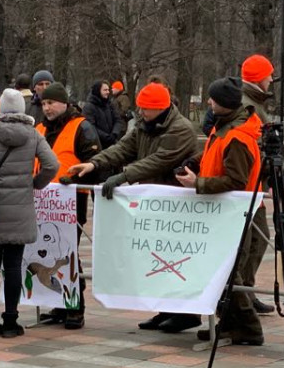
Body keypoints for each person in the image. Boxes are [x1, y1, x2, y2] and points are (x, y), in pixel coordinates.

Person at [67, 82, 199, 332]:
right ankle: (167, 308)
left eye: (146, 109)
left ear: (160, 108)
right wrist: (94, 164)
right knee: (158, 257)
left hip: (177, 203)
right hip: (155, 201)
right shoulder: (144, 125)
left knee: (177, 259)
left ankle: (187, 312)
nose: (141, 113)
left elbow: (157, 161)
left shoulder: (180, 129)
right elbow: (122, 148)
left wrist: (122, 176)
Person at [177, 78, 263, 346]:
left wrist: (198, 183)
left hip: (233, 213)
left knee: (229, 271)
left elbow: (236, 180)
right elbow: (217, 159)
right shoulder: (225, 127)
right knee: (225, 269)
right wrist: (195, 163)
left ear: (224, 104)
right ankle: (230, 325)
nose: (209, 102)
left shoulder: (236, 136)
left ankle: (249, 327)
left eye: (212, 99)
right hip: (226, 212)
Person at [0, 89, 58, 336]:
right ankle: (11, 320)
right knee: (13, 266)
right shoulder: (33, 136)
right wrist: (36, 183)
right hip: (20, 210)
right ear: (22, 109)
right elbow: (52, 164)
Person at [34, 82, 100, 329]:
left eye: (50, 103)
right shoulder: (39, 128)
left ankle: (75, 307)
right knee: (48, 254)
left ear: (64, 102)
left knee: (68, 254)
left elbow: (94, 162)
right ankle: (59, 304)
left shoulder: (81, 127)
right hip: (42, 201)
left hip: (69, 201)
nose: (47, 107)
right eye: (43, 103)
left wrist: (72, 180)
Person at [239, 54, 276, 315]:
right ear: (259, 78)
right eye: (269, 75)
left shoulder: (254, 102)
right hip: (248, 186)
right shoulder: (248, 105)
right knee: (252, 241)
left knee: (259, 239)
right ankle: (240, 295)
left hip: (255, 185)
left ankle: (245, 292)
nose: (272, 79)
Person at [82, 80, 125, 149]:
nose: (108, 92)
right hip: (97, 145)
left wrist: (114, 133)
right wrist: (106, 137)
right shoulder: (89, 107)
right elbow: (90, 127)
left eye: (108, 90)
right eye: (105, 90)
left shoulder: (110, 104)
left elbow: (118, 119)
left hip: (112, 143)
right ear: (98, 91)